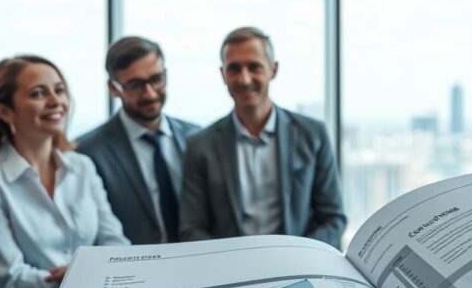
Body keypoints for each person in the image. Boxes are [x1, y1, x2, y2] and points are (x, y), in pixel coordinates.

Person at [0, 55, 129, 288]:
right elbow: (11, 280)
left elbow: (117, 246)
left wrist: (78, 272)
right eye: (38, 93)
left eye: (59, 90)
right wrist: (86, 272)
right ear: (4, 111)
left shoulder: (82, 167)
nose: (55, 101)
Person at [180, 27, 346, 248]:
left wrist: (301, 256)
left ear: (273, 69)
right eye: (234, 69)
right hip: (231, 272)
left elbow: (334, 219)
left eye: (254, 67)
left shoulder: (313, 135)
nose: (244, 78)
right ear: (223, 75)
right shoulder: (199, 145)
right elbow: (192, 228)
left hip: (299, 266)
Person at [75, 37, 200, 245]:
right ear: (114, 88)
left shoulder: (196, 138)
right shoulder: (87, 152)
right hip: (130, 272)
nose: (150, 93)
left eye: (157, 79)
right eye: (135, 85)